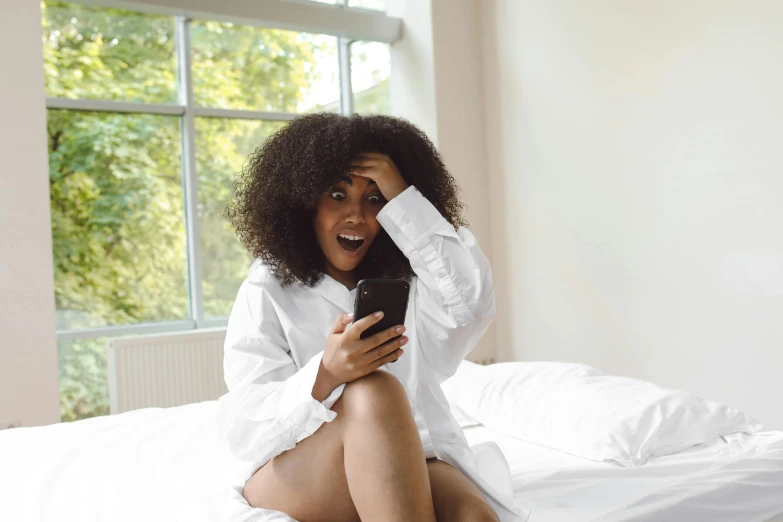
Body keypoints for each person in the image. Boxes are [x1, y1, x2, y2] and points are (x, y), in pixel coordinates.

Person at [217, 113, 523, 522]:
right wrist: (325, 375)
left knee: (476, 518)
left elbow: (470, 301)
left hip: (413, 454)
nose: (357, 216)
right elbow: (246, 431)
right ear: (304, 202)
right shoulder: (266, 289)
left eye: (375, 198)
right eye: (338, 195)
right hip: (298, 468)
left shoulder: (415, 278)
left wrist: (403, 197)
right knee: (373, 391)